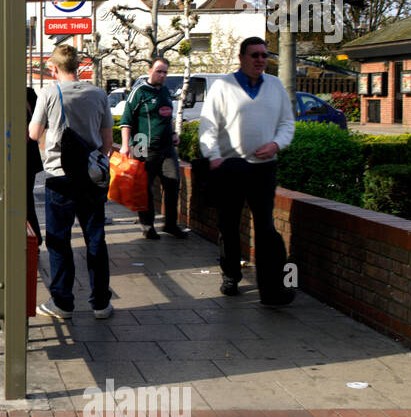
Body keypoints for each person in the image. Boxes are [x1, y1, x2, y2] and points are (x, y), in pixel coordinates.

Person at [197, 36, 296, 304]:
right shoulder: (223, 87)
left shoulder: (275, 86)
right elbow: (207, 127)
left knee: (265, 227)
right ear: (241, 58)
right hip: (231, 167)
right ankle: (230, 275)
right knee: (228, 225)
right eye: (254, 55)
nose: (260, 60)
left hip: (263, 169)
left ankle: (272, 288)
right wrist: (214, 156)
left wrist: (276, 144)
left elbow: (287, 123)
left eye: (264, 55)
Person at [28, 44, 114, 319]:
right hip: (90, 179)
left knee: (59, 241)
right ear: (78, 65)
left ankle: (63, 303)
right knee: (96, 239)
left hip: (59, 178)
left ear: (53, 68)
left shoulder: (49, 93)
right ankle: (100, 303)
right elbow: (107, 142)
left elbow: (33, 133)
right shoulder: (98, 94)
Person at [120, 56, 186, 239]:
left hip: (166, 148)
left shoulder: (165, 91)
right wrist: (125, 146)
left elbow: (168, 117)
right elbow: (126, 121)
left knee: (172, 184)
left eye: (165, 72)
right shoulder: (139, 92)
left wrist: (173, 134)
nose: (163, 75)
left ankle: (171, 224)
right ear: (149, 71)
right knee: (144, 188)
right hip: (142, 144)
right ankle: (147, 225)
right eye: (159, 71)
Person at [24, 86, 43, 245]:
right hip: (31, 155)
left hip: (22, 155)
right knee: (27, 198)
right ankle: (35, 236)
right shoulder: (29, 93)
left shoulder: (20, 97)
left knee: (25, 199)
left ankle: (34, 237)